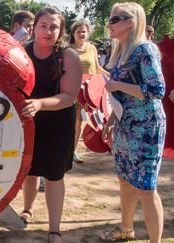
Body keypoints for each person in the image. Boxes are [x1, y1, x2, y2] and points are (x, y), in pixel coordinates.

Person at [100, 2, 165, 242]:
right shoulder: (121, 51)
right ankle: (126, 229)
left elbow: (157, 89)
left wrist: (117, 84)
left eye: (115, 19)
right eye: (110, 19)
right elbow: (120, 96)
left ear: (131, 22)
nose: (109, 23)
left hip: (146, 126)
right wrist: (109, 123)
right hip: (124, 124)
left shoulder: (145, 49)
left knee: (146, 189)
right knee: (125, 180)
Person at [20, 6, 82, 243]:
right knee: (30, 171)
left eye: (54, 27)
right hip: (29, 122)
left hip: (58, 124)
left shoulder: (68, 56)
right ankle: (27, 209)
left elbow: (69, 97)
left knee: (54, 177)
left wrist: (39, 104)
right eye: (43, 26)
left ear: (61, 30)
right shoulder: (22, 51)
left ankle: (54, 228)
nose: (48, 31)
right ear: (34, 28)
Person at [69, 20, 110, 164]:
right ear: (73, 33)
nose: (81, 34)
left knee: (80, 121)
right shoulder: (68, 49)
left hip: (88, 92)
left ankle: (72, 151)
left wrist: (111, 76)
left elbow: (97, 68)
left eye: (84, 31)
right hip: (72, 91)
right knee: (70, 121)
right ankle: (65, 150)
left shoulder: (92, 48)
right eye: (78, 31)